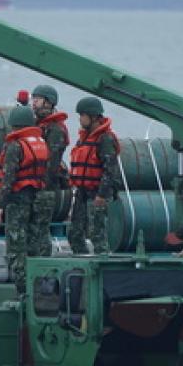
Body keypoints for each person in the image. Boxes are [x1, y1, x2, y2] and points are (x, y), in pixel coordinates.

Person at [0, 105, 49, 295]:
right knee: (35, 245)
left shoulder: (15, 146)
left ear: (14, 125)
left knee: (16, 248)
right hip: (37, 198)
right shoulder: (40, 142)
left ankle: (23, 292)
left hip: (17, 201)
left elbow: (8, 180)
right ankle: (39, 289)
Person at [67, 97, 120, 255]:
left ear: (93, 117)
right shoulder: (84, 138)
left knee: (98, 235)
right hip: (82, 194)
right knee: (74, 234)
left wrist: (102, 195)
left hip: (97, 194)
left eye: (82, 115)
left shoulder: (105, 139)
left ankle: (102, 266)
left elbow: (110, 169)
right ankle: (82, 265)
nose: (80, 118)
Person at [27, 84, 69, 258]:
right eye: (33, 99)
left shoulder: (55, 129)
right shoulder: (36, 125)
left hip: (45, 188)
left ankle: (43, 269)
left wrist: (42, 186)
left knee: (41, 231)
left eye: (37, 100)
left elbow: (52, 163)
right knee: (30, 230)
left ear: (48, 102)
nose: (33, 103)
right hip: (32, 186)